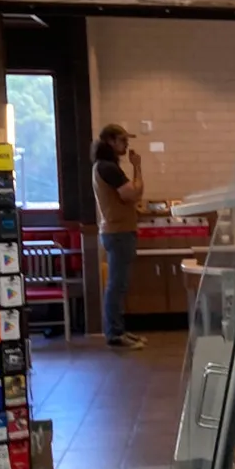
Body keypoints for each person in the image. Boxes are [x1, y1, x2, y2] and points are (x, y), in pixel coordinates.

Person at [92, 123, 145, 349]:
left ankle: (118, 330)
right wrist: (138, 168)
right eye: (123, 140)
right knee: (116, 284)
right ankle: (114, 333)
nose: (127, 145)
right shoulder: (108, 168)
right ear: (111, 142)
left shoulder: (103, 167)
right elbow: (132, 194)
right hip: (119, 232)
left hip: (117, 230)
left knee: (119, 284)